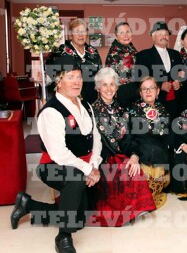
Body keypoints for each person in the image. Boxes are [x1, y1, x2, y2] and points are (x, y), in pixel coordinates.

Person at [10, 55, 102, 253]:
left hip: (83, 165)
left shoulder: (86, 105)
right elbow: (59, 154)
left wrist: (94, 164)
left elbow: (96, 137)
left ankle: (28, 205)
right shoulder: (51, 111)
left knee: (80, 218)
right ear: (59, 82)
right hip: (52, 166)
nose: (77, 81)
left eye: (79, 76)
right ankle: (63, 236)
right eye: (71, 77)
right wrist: (87, 170)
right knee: (75, 179)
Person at [89, 67, 156, 227]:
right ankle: (124, 211)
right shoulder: (91, 110)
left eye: (112, 84)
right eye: (104, 85)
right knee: (121, 168)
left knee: (132, 164)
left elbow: (129, 137)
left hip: (120, 153)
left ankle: (136, 208)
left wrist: (134, 155)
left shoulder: (122, 109)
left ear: (117, 87)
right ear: (98, 88)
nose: (109, 89)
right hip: (101, 157)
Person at [122, 76, 171, 208]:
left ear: (158, 91)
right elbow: (129, 137)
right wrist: (134, 154)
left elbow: (167, 138)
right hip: (141, 154)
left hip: (160, 157)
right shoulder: (131, 111)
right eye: (144, 89)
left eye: (151, 88)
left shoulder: (164, 111)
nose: (148, 92)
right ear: (140, 93)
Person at [136, 21, 185, 119]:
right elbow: (140, 78)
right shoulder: (143, 55)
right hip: (155, 102)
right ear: (153, 37)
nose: (164, 36)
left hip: (176, 101)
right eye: (160, 34)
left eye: (166, 34)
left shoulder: (175, 54)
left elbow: (182, 73)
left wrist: (179, 82)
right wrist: (159, 85)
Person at [49, 18, 102, 104]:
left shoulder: (93, 51)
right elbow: (51, 74)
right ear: (71, 35)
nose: (80, 35)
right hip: (69, 99)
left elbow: (100, 74)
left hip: (91, 98)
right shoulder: (61, 51)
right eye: (77, 32)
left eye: (83, 31)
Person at [105, 22, 138, 107]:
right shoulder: (114, 53)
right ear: (116, 36)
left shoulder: (130, 47)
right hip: (123, 94)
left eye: (128, 32)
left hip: (135, 91)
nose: (126, 35)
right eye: (122, 33)